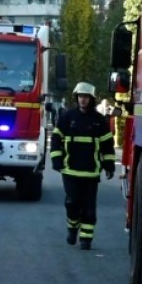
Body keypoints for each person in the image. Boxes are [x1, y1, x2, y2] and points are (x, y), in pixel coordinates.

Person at [50, 82, 116, 250]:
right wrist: (56, 159)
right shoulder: (67, 117)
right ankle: (72, 227)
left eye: (86, 97)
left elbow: (107, 145)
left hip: (90, 173)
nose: (83, 100)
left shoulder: (99, 121)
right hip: (70, 170)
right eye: (80, 97)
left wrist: (109, 165)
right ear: (76, 98)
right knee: (72, 203)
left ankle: (86, 239)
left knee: (89, 209)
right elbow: (56, 138)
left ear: (91, 99)